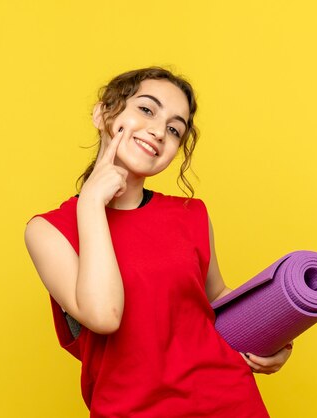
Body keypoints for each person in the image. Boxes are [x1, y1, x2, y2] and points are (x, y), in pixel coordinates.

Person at [24, 67, 293, 417]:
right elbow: (104, 316)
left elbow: (216, 301)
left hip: (229, 402)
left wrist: (274, 334)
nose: (158, 131)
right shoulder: (48, 231)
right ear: (103, 112)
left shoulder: (190, 214)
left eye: (174, 129)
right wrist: (91, 202)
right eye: (147, 110)